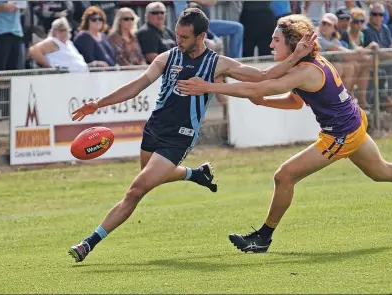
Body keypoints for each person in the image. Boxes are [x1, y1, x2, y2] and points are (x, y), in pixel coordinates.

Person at [177, 14, 392, 253]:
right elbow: (293, 101)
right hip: (354, 123)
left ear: (292, 43)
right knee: (382, 171)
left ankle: (263, 237)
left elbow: (258, 86)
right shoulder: (307, 64)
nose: (270, 43)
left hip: (341, 135)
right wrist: (264, 101)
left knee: (284, 175)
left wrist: (210, 87)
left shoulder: (304, 71)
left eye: (276, 40)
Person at [67, 8, 317, 263]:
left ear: (201, 36)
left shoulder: (217, 63)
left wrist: (296, 55)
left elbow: (263, 76)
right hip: (154, 129)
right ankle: (195, 174)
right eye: (177, 35)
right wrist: (97, 104)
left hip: (180, 137)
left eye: (184, 37)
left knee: (135, 191)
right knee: (149, 178)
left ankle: (89, 243)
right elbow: (136, 86)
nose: (178, 41)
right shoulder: (167, 57)